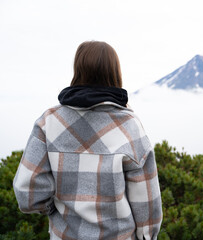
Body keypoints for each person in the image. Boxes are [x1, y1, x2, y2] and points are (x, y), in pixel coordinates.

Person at [13, 41, 162, 240]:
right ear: (114, 72)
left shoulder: (48, 122)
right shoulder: (129, 126)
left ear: (78, 69)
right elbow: (147, 207)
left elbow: (27, 193)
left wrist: (56, 211)